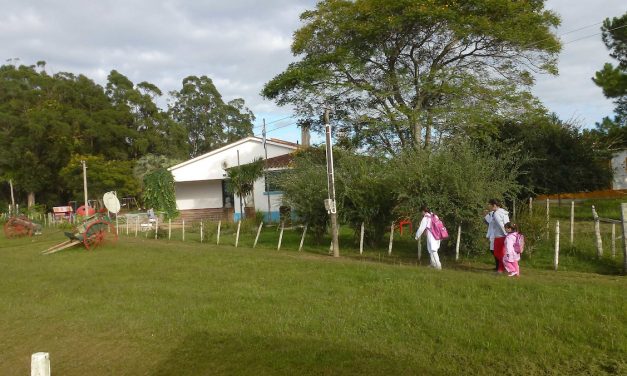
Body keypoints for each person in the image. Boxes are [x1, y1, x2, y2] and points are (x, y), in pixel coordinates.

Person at [484, 199, 509, 273]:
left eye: (490, 205)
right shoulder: (502, 212)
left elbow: (501, 225)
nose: (489, 206)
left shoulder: (497, 213)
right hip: (500, 235)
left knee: (498, 253)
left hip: (500, 236)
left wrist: (506, 234)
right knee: (498, 253)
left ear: (494, 205)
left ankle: (502, 268)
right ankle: (501, 268)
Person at [415, 206, 442, 270]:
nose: (421, 213)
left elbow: (421, 228)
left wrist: (417, 236)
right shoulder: (434, 215)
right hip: (438, 235)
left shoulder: (426, 217)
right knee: (431, 249)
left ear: (423, 211)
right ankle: (433, 264)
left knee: (433, 250)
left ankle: (438, 266)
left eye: (421, 212)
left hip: (431, 235)